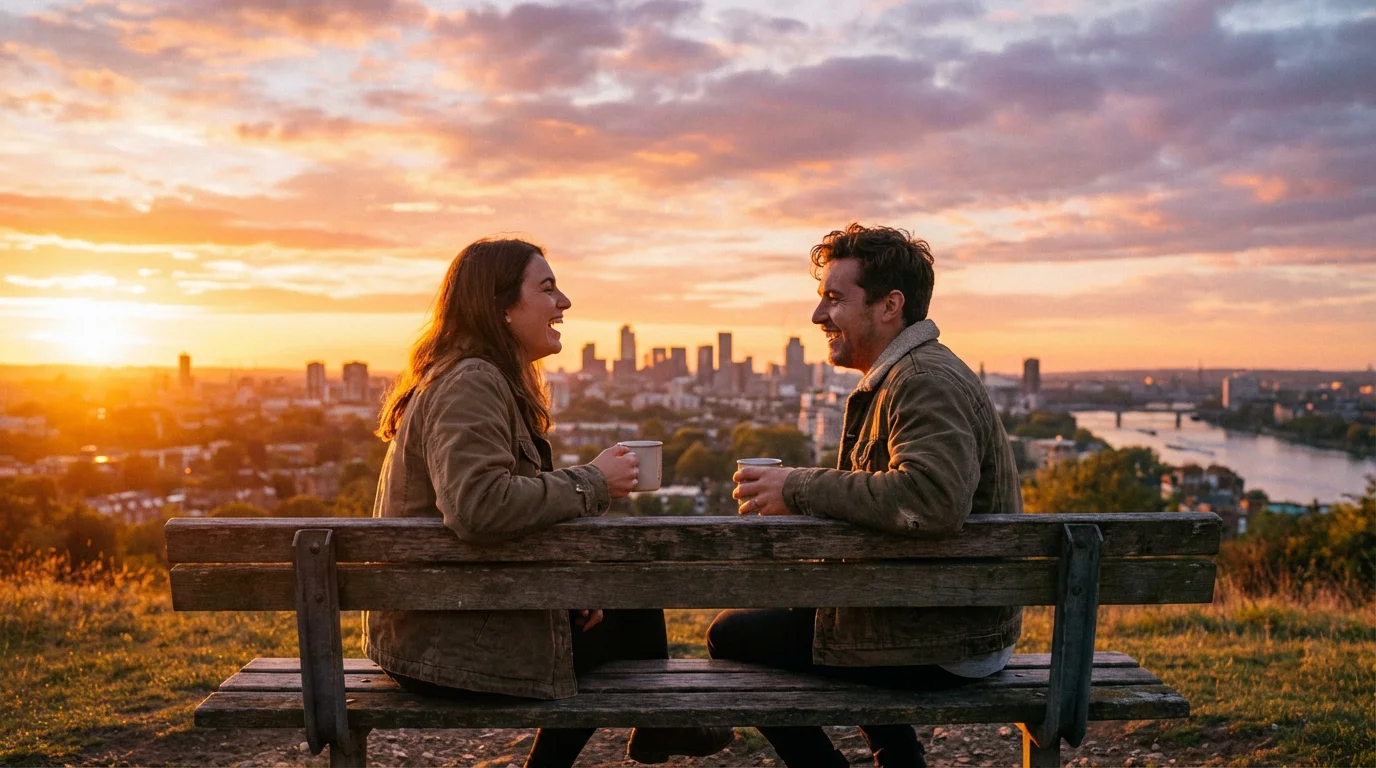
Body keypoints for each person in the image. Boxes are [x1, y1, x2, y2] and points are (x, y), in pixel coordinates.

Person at [365, 238, 733, 767]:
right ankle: (659, 728)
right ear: (500, 306)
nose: (563, 302)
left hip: (453, 620)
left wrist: (563, 584)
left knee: (628, 595)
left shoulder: (478, 377)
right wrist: (593, 480)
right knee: (632, 602)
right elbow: (479, 508)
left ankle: (659, 728)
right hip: (444, 646)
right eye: (547, 288)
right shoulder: (471, 381)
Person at [714, 224, 1024, 768]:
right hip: (936, 615)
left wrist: (799, 486)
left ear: (889, 306)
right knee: (805, 612)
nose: (817, 316)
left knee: (728, 637)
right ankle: (897, 758)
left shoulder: (922, 379)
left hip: (947, 639)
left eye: (834, 299)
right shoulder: (906, 374)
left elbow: (931, 499)